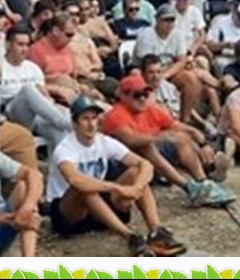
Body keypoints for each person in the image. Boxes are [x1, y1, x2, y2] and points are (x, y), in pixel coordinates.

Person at [47, 95, 186, 256]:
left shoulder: (104, 142)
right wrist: (117, 188)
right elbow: (75, 180)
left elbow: (145, 164)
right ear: (75, 123)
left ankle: (156, 231)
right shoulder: (65, 149)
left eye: (94, 118)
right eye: (85, 119)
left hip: (98, 207)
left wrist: (137, 187)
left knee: (135, 173)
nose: (91, 124)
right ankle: (131, 238)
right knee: (85, 188)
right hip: (69, 213)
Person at [102, 74, 235, 207]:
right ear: (124, 96)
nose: (142, 98)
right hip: (122, 165)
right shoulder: (116, 115)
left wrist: (203, 143)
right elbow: (131, 140)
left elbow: (184, 128)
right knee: (146, 146)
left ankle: (203, 182)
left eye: (145, 94)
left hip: (150, 160)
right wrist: (160, 137)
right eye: (137, 95)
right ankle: (190, 187)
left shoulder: (152, 110)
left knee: (182, 138)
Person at [0, 25, 73, 147]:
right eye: (20, 45)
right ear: (8, 45)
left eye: (27, 45)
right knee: (28, 90)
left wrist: (54, 105)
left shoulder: (33, 68)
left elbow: (44, 97)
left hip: (38, 117)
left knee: (59, 132)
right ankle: (69, 123)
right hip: (12, 115)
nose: (24, 49)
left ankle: (64, 158)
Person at [132, 4, 209, 123]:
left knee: (191, 78)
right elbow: (146, 63)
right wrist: (159, 75)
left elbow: (181, 60)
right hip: (146, 70)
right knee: (136, 74)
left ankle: (185, 118)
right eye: (165, 20)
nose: (169, 23)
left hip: (167, 69)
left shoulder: (178, 34)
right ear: (157, 20)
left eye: (172, 20)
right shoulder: (146, 35)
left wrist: (165, 75)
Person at [0, 148, 43, 257]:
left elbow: (33, 174)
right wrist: (12, 219)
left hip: (2, 219)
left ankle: (29, 259)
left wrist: (27, 207)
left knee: (24, 187)